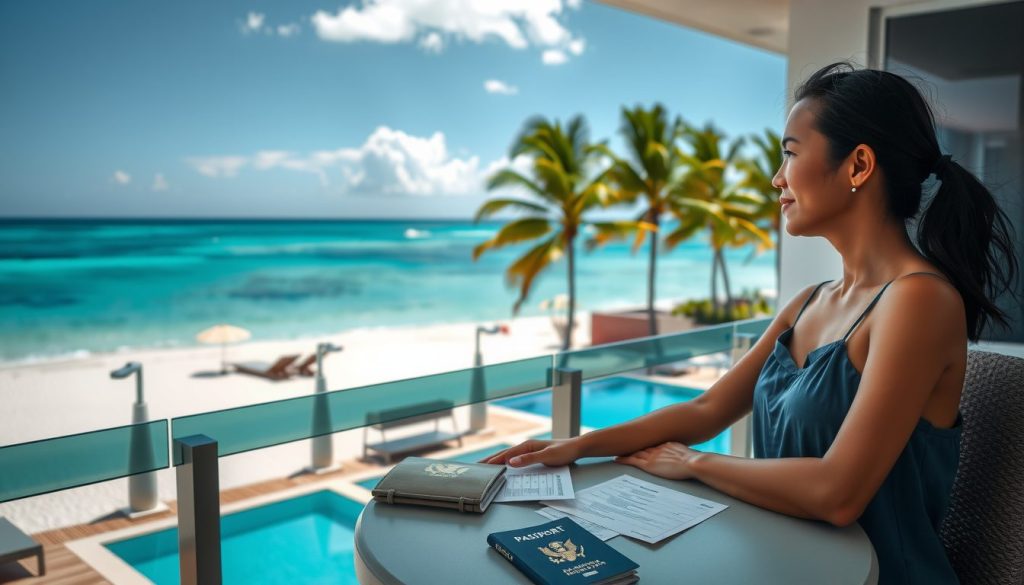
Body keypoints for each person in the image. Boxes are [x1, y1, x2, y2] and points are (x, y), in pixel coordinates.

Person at [482, 62, 1019, 584]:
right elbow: (707, 408)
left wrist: (692, 464)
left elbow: (838, 493)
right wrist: (578, 444)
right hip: (785, 563)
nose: (776, 178)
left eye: (790, 153)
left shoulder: (918, 302)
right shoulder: (810, 302)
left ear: (858, 166)